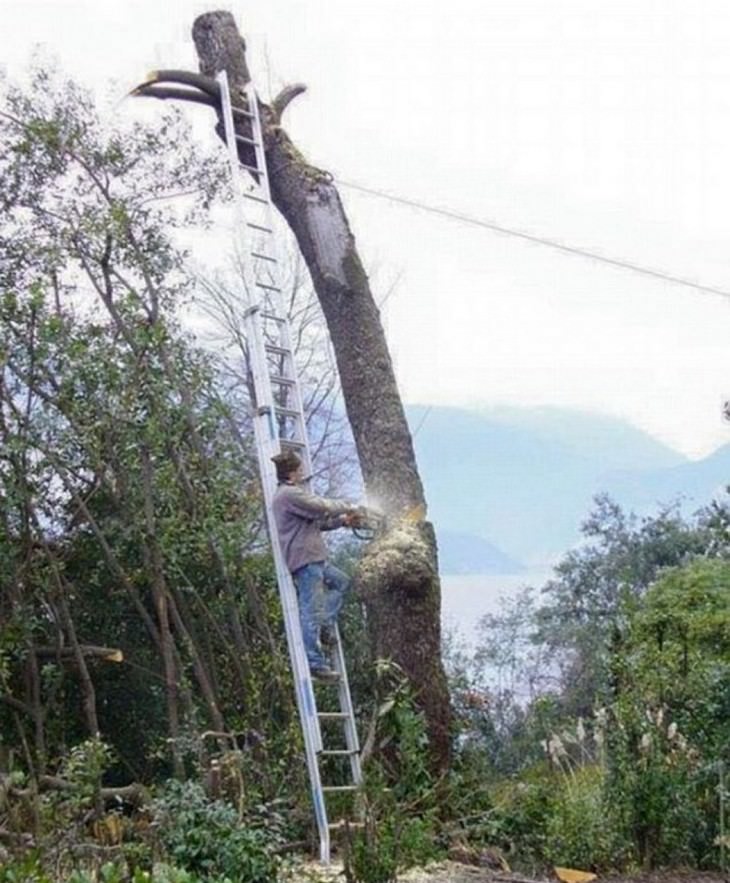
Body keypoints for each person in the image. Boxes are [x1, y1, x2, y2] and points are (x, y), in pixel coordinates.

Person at [270, 450, 360, 682]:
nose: (302, 472)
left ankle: (325, 623)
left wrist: (342, 521)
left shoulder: (292, 496)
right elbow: (321, 506)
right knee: (309, 609)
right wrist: (349, 505)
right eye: (299, 469)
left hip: (314, 558)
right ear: (292, 472)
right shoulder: (288, 495)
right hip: (305, 560)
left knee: (341, 582)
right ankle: (316, 663)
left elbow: (317, 523)